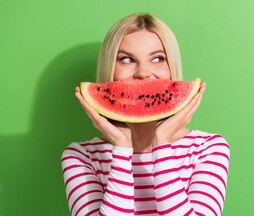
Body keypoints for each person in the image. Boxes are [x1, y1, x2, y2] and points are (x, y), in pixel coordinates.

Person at [61, 12, 230, 216]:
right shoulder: (82, 156)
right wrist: (122, 147)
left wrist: (162, 141)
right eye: (126, 59)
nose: (143, 73)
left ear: (171, 67)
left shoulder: (208, 149)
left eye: (158, 58)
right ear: (109, 70)